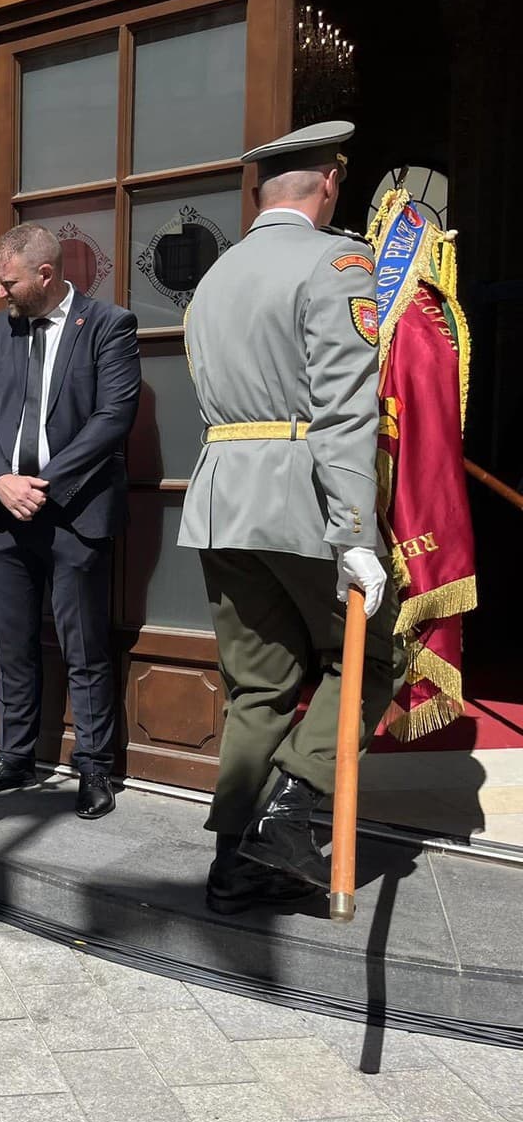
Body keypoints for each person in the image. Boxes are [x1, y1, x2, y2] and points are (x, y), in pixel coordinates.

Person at [178, 121, 400, 916]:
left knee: (257, 685)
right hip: (301, 501)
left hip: (222, 500)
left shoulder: (216, 276)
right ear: (330, 183)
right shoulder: (337, 261)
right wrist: (355, 532)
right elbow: (346, 410)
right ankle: (294, 813)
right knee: (377, 655)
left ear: (261, 192)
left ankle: (232, 860)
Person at [0, 223, 141, 819]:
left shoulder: (108, 326)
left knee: (83, 645)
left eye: (9, 282)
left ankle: (93, 767)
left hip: (73, 513)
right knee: (12, 644)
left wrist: (47, 484)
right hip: (3, 514)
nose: (0, 293)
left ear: (44, 274)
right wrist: (0, 482)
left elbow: (114, 417)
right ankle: (15, 758)